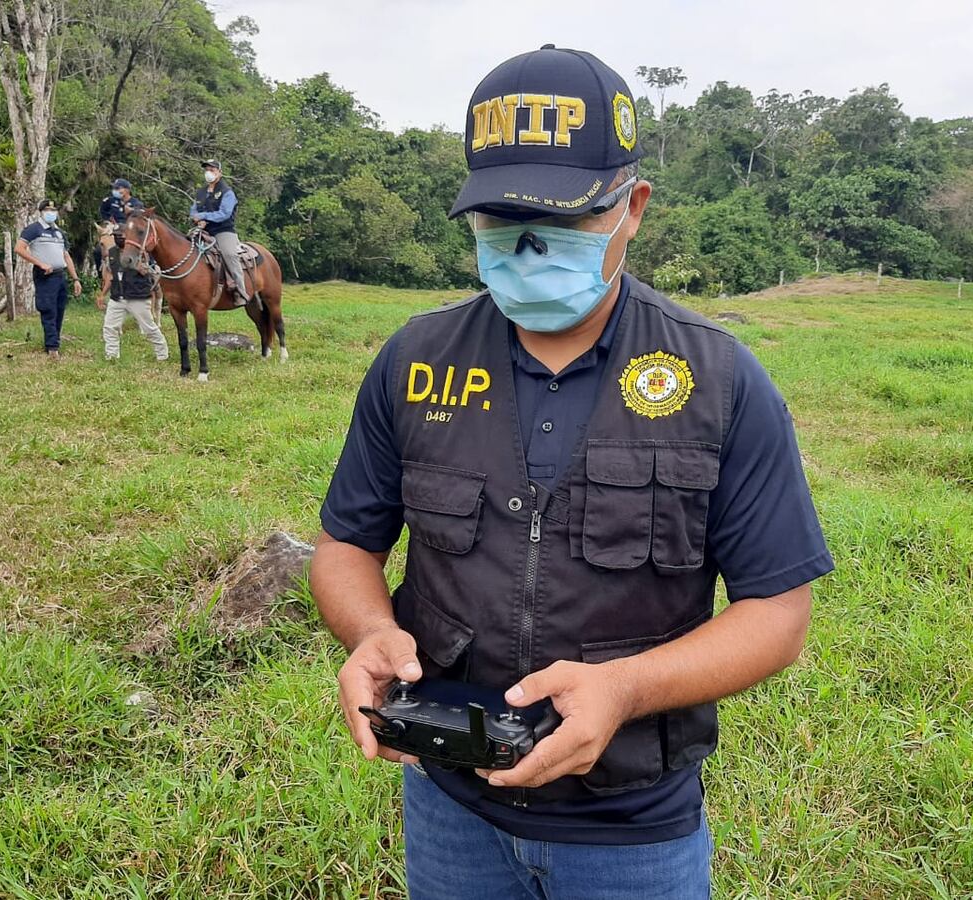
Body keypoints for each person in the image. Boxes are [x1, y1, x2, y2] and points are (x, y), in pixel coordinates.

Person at [311, 45, 834, 899]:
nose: (524, 247)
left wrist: (627, 689)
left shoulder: (720, 380)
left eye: (560, 219)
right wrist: (369, 630)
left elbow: (778, 614)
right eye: (498, 217)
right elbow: (344, 545)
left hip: (632, 829)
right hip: (450, 808)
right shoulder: (415, 360)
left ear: (634, 207)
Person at [15, 200, 82, 359]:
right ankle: (52, 348)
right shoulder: (33, 229)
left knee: (59, 310)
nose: (51, 212)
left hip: (60, 274)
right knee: (48, 309)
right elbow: (19, 248)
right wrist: (40, 264)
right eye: (48, 209)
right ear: (41, 212)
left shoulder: (59, 232)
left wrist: (76, 278)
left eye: (54, 209)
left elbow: (66, 255)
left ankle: (54, 341)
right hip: (45, 275)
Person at [97, 228, 169, 362]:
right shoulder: (112, 253)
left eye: (121, 236)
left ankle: (162, 353)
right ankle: (111, 356)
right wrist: (103, 295)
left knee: (148, 327)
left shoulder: (140, 252)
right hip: (118, 296)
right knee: (109, 327)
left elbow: (149, 272)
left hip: (137, 296)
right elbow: (110, 275)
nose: (119, 239)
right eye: (116, 236)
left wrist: (140, 267)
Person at [189, 159, 249, 306]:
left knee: (229, 253)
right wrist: (196, 220)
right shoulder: (200, 192)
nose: (209, 172)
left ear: (220, 173)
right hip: (203, 230)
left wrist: (203, 217)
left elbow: (224, 213)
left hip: (223, 230)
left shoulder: (227, 192)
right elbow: (193, 210)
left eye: (212, 169)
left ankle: (241, 291)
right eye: (207, 169)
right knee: (184, 247)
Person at [95, 178, 144, 273]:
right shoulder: (110, 201)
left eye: (118, 188)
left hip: (129, 231)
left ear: (127, 190)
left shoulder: (136, 203)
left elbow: (141, 215)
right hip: (114, 229)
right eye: (115, 188)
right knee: (98, 250)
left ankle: (151, 266)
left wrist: (131, 211)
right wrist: (108, 221)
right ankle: (100, 273)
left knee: (143, 248)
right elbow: (103, 210)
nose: (115, 190)